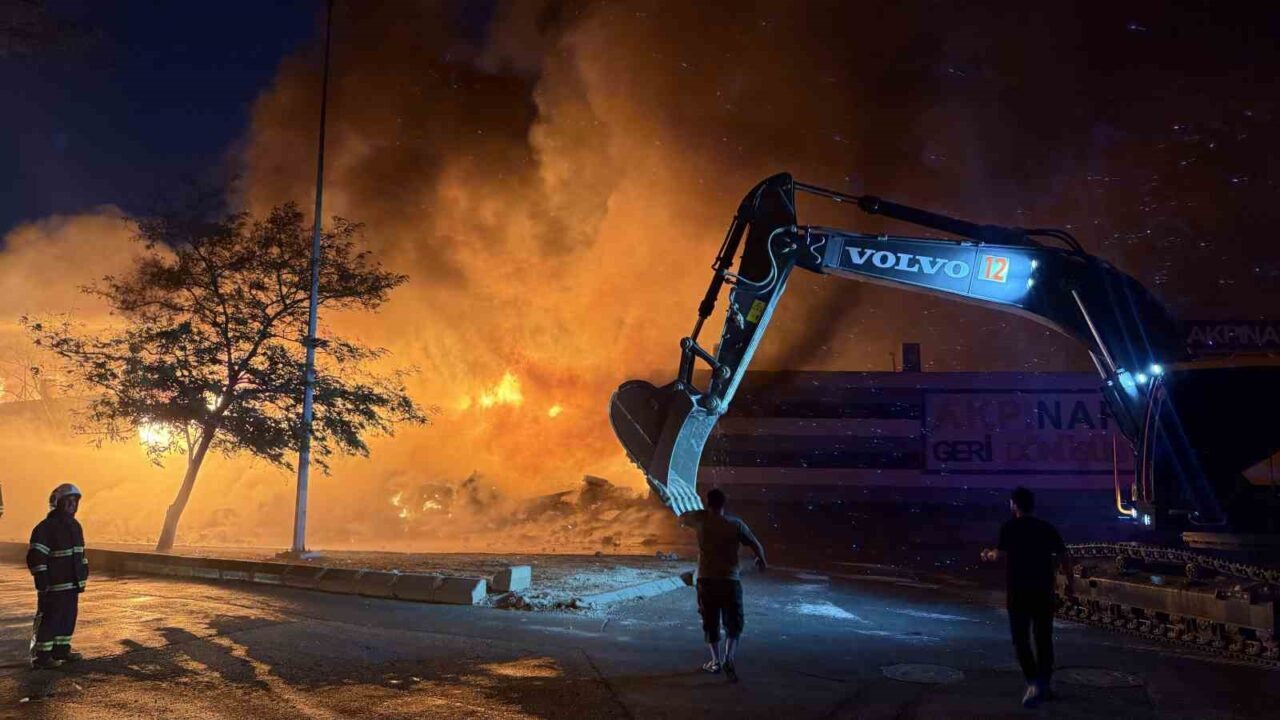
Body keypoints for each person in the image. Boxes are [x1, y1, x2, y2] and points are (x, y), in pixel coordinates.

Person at [981, 486, 1071, 708]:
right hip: (1043, 590)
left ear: (1014, 505)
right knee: (1044, 639)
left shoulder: (1010, 527)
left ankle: (1033, 682)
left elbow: (999, 554)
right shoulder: (1046, 527)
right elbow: (1064, 556)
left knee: (1020, 639)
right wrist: (1070, 584)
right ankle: (1044, 684)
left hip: (1019, 591)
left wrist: (987, 554)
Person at [680, 487, 767, 684]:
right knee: (734, 623)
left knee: (710, 622)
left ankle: (715, 661)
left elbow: (681, 518)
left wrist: (700, 511)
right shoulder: (736, 524)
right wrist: (761, 559)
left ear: (707, 502)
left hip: (706, 579)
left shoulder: (701, 521)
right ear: (724, 503)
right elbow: (756, 544)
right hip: (730, 579)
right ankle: (729, 659)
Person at [27, 483, 89, 670]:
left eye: (75, 501)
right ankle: (42, 657)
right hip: (53, 586)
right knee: (50, 620)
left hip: (72, 585)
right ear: (57, 503)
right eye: (68, 501)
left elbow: (80, 554)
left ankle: (61, 650)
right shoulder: (45, 528)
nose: (72, 505)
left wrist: (83, 574)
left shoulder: (75, 527)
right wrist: (42, 579)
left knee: (68, 618)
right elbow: (36, 556)